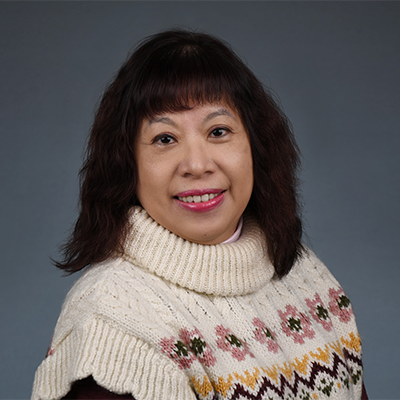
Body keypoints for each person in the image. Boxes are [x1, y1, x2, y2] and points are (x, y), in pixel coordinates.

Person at [31, 29, 367, 400]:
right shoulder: (115, 324)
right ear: (126, 164)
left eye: (218, 131)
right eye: (165, 139)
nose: (196, 164)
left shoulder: (305, 275)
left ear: (257, 147)